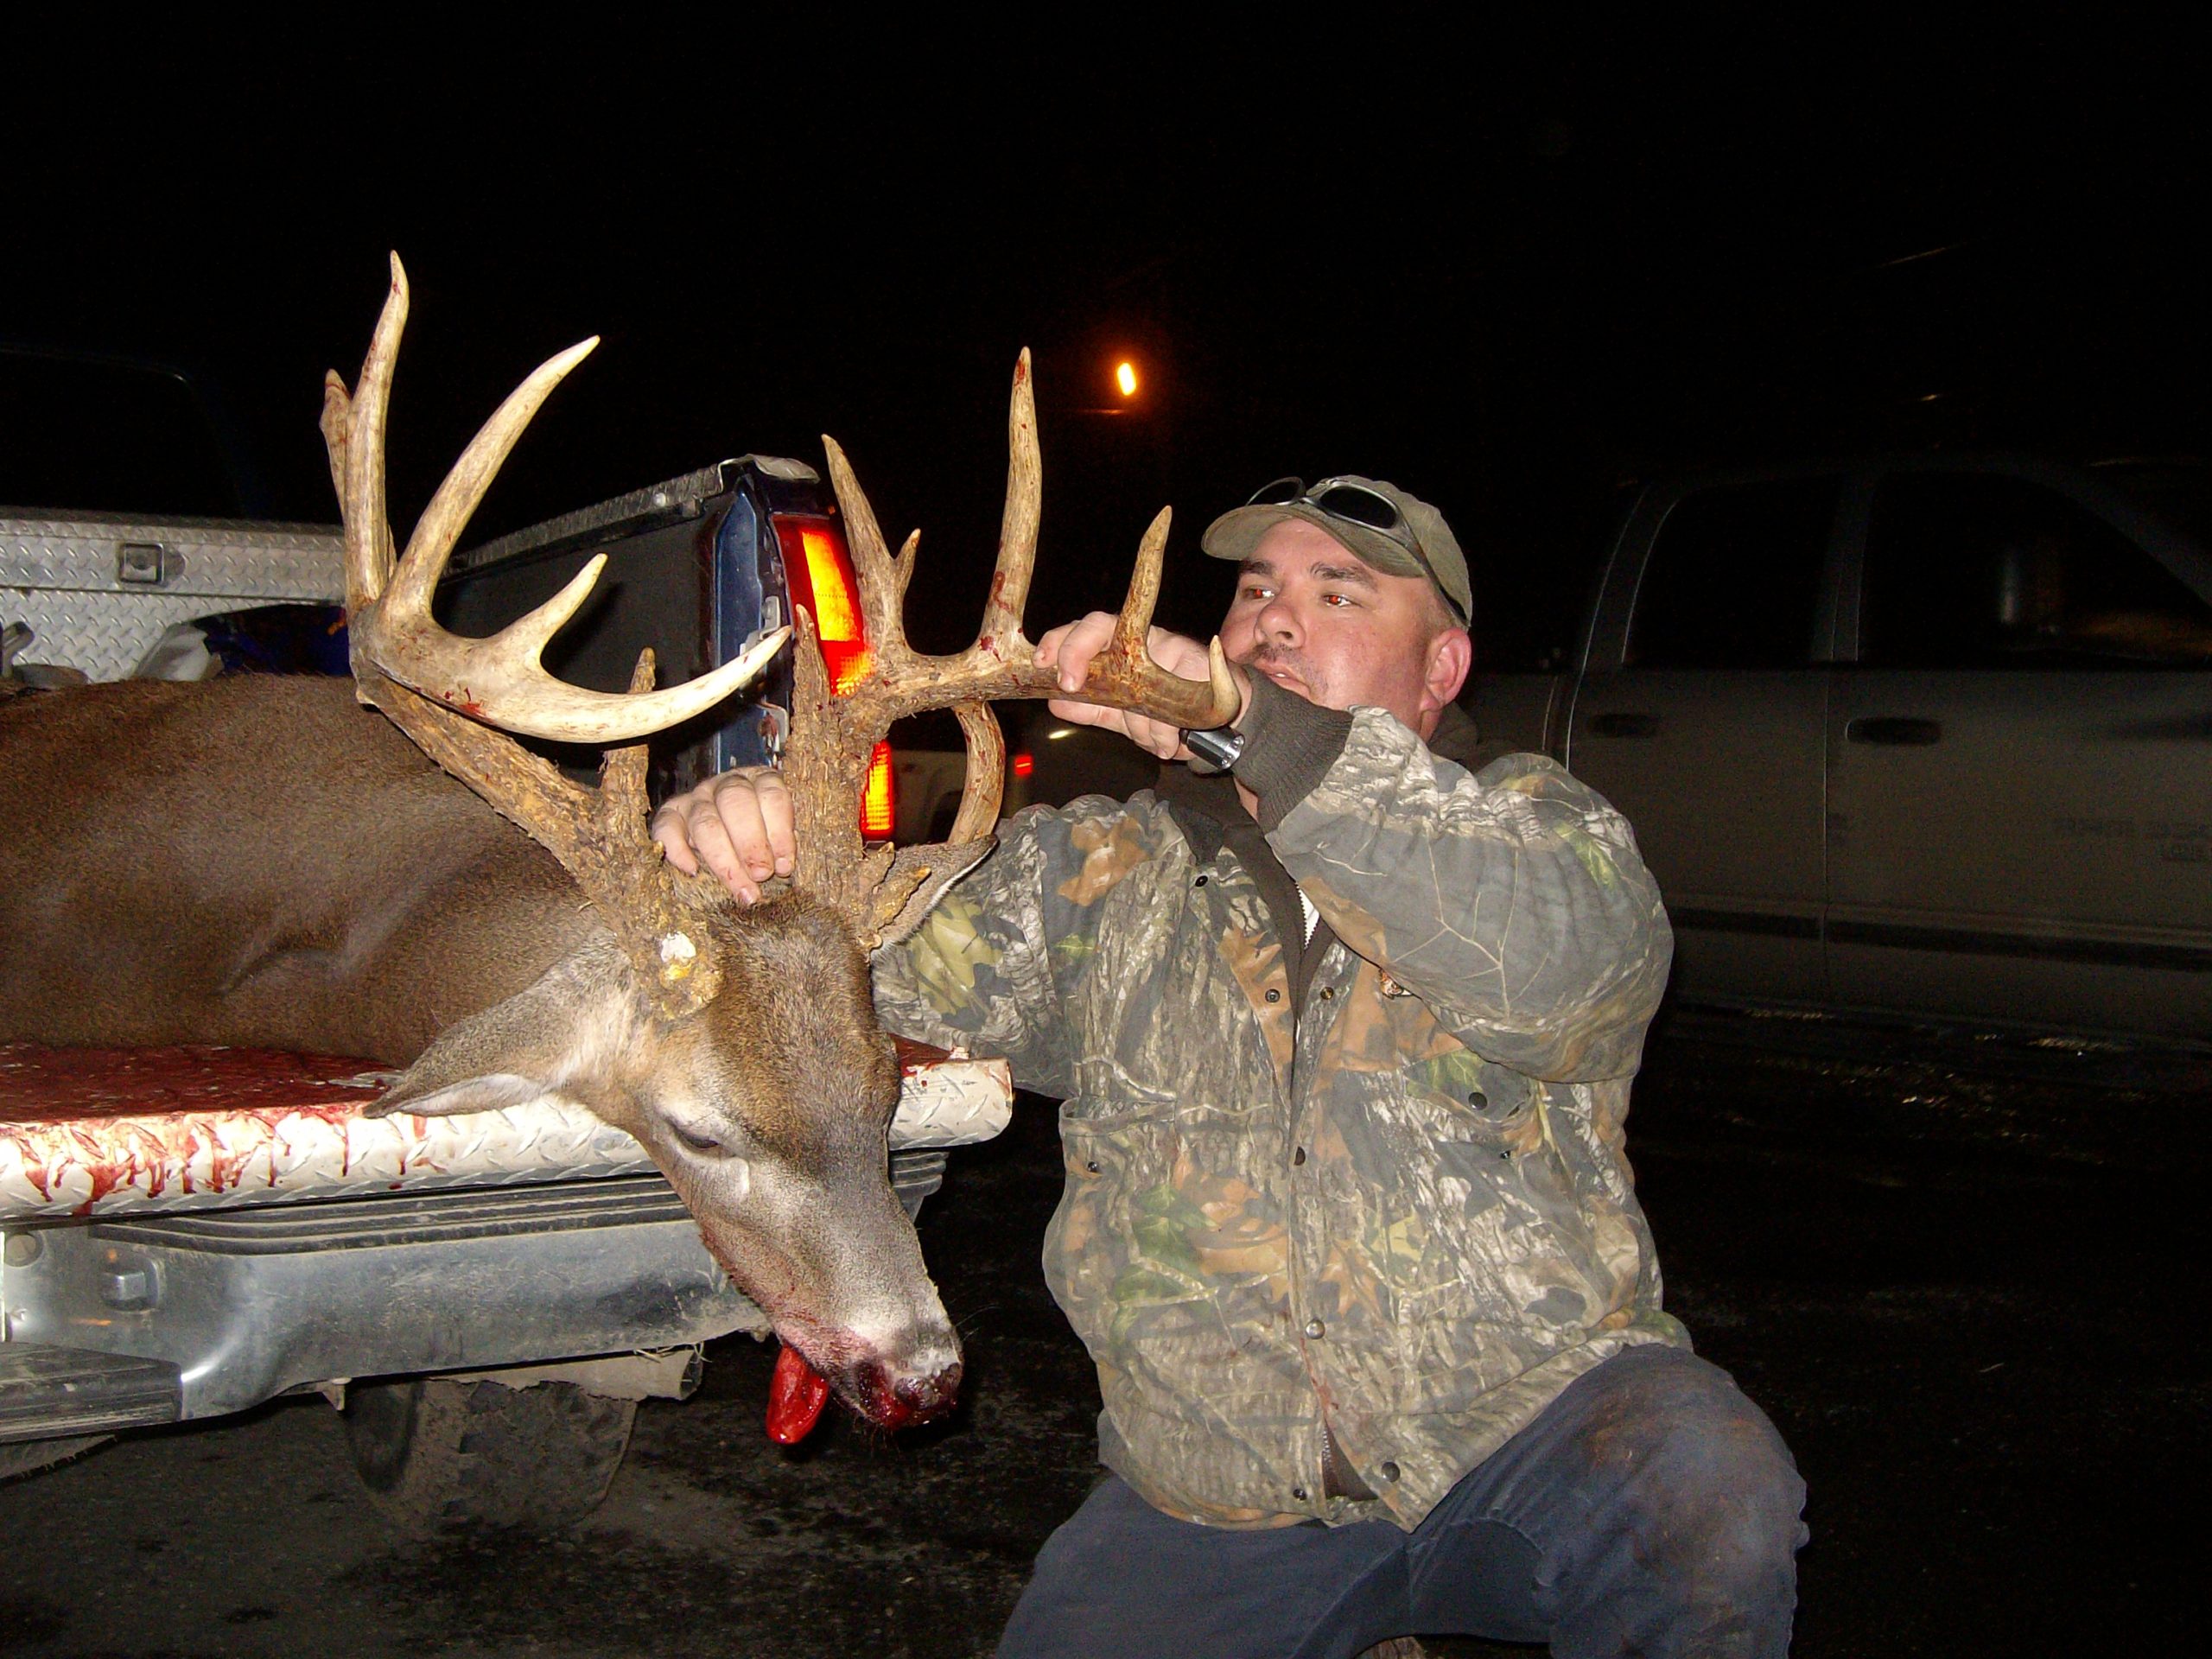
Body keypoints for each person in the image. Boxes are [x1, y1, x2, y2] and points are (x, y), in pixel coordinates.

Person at [655, 476, 1808, 1658]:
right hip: (1221, 1492)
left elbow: (1563, 969)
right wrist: (757, 858)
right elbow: (854, 963)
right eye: (1256, 592)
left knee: (1701, 1485)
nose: (1276, 619)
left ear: (1443, 668)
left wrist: (1264, 732)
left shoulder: (1540, 833)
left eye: (1337, 593)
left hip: (1526, 1438)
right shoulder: (1102, 871)